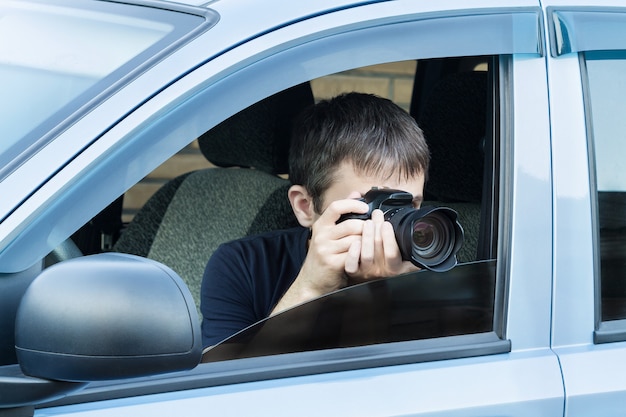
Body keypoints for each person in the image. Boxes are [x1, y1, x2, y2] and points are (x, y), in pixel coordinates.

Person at [200, 92, 430, 347]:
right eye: (374, 205)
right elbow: (228, 383)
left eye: (408, 206)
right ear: (305, 206)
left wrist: (393, 293)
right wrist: (310, 289)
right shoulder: (243, 266)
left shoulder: (437, 269)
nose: (389, 227)